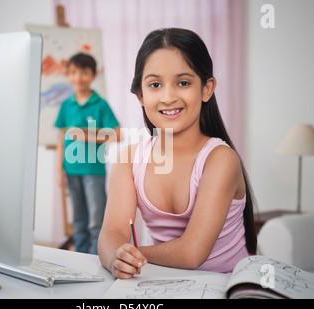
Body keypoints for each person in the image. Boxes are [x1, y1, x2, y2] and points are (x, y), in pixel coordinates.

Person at [98, 28, 257, 278]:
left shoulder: (220, 160)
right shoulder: (129, 160)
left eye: (183, 83)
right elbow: (111, 233)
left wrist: (136, 254)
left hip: (228, 286)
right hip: (166, 284)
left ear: (206, 88)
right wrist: (116, 257)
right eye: (155, 85)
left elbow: (192, 253)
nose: (168, 97)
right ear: (140, 95)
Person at [55, 52, 121, 254]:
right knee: (78, 220)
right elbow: (61, 139)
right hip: (71, 170)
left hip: (93, 171)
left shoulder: (100, 105)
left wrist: (85, 136)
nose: (78, 78)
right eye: (73, 72)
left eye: (84, 73)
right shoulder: (67, 105)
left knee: (96, 220)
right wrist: (59, 169)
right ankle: (81, 258)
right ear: (68, 74)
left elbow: (117, 135)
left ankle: (96, 258)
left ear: (93, 75)